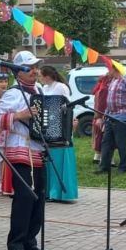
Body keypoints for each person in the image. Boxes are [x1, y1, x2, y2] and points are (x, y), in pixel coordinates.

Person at [0, 50, 44, 250]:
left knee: (38, 199)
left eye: (36, 67)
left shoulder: (38, 90)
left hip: (38, 150)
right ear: (19, 71)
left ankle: (30, 240)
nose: (35, 71)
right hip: (20, 149)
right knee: (24, 199)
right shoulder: (13, 93)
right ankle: (15, 244)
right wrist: (19, 115)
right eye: (30, 67)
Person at [39, 65, 78, 201]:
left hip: (61, 125)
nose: (39, 77)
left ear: (47, 76)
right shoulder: (43, 88)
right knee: (49, 159)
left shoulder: (61, 87)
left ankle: (62, 193)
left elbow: (68, 105)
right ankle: (50, 191)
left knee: (60, 158)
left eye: (41, 75)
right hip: (48, 125)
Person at [97, 64, 126, 175]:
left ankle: (123, 167)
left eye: (109, 69)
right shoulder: (113, 81)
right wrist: (105, 114)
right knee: (106, 142)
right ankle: (104, 167)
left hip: (123, 115)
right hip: (111, 115)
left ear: (115, 69)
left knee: (120, 142)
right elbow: (109, 101)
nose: (108, 71)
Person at [91, 74, 111, 164]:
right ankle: (107, 159)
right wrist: (100, 117)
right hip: (102, 116)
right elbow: (102, 105)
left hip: (97, 116)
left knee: (98, 136)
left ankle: (97, 156)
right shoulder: (104, 90)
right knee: (104, 137)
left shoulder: (99, 89)